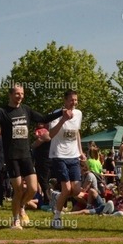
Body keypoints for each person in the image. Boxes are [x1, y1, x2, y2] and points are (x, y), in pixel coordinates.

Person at [0, 83, 69, 229]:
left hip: (26, 154)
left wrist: (61, 112)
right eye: (17, 93)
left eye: (22, 93)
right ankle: (15, 221)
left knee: (33, 188)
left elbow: (44, 118)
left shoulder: (26, 109)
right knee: (18, 190)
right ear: (10, 95)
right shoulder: (3, 112)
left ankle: (21, 206)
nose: (20, 96)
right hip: (12, 156)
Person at [48, 89, 84, 229]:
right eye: (71, 100)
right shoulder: (56, 114)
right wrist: (63, 119)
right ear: (65, 101)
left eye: (76, 100)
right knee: (67, 188)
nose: (74, 102)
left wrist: (80, 151)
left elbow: (77, 133)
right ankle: (56, 218)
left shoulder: (79, 113)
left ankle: (58, 197)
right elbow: (51, 134)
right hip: (59, 155)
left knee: (76, 190)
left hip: (73, 155)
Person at [31, 123, 52, 210]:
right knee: (43, 181)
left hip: (44, 160)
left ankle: (48, 201)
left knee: (44, 181)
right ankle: (47, 200)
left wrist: (33, 144)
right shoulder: (42, 131)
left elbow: (35, 144)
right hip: (40, 160)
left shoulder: (47, 132)